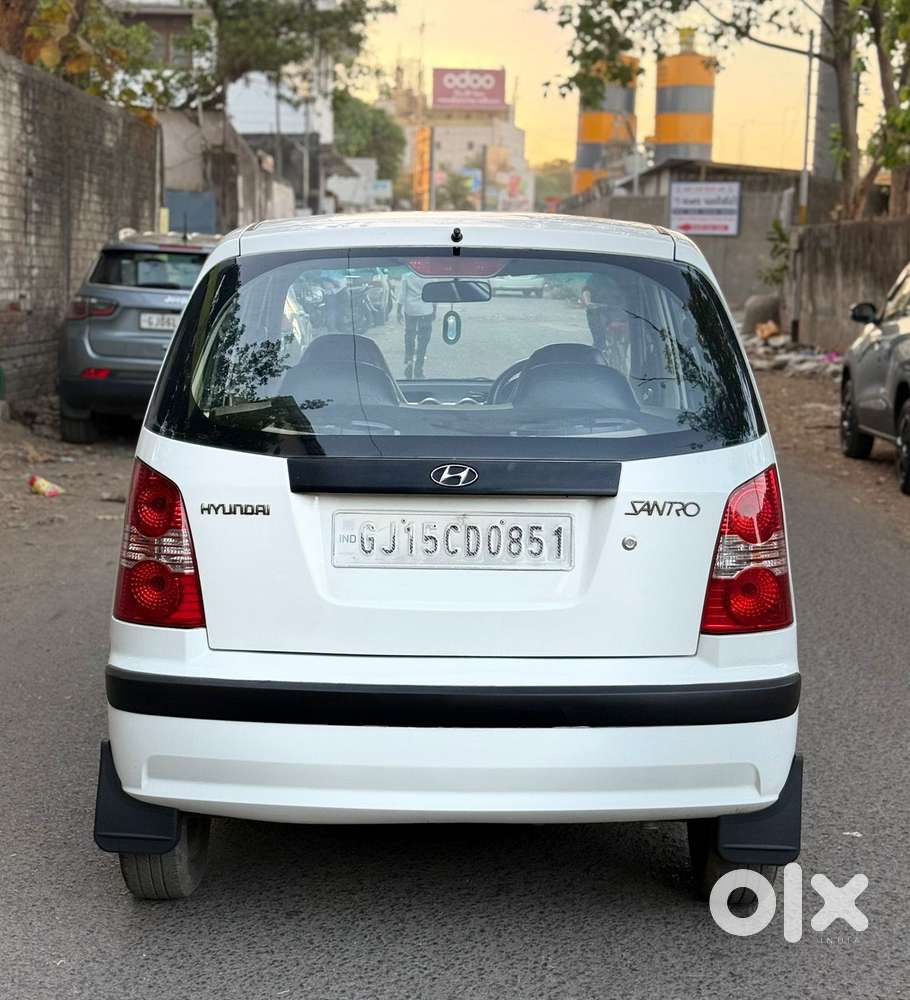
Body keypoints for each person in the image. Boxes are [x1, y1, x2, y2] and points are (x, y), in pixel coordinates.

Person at [397, 271, 435, 379]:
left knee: (409, 336)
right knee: (423, 340)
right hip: (426, 310)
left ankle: (409, 361)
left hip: (411, 310)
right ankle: (419, 368)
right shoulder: (429, 276)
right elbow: (433, 295)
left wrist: (398, 310)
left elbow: (402, 295)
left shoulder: (407, 276)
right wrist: (434, 310)